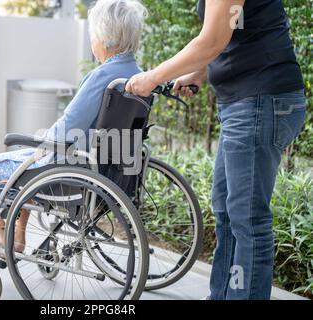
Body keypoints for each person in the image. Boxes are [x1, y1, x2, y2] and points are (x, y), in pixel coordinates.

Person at [126, 0, 306, 300]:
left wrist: (153, 76)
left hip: (259, 101)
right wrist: (199, 72)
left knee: (247, 219)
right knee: (226, 210)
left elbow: (211, 41)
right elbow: (231, 32)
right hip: (248, 103)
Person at [0, 0, 147, 257]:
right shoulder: (137, 73)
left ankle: (5, 239)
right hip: (115, 166)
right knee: (25, 166)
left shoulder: (103, 76)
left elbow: (67, 128)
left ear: (106, 39)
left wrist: (40, 141)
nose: (92, 42)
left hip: (76, 166)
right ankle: (17, 235)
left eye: (93, 36)